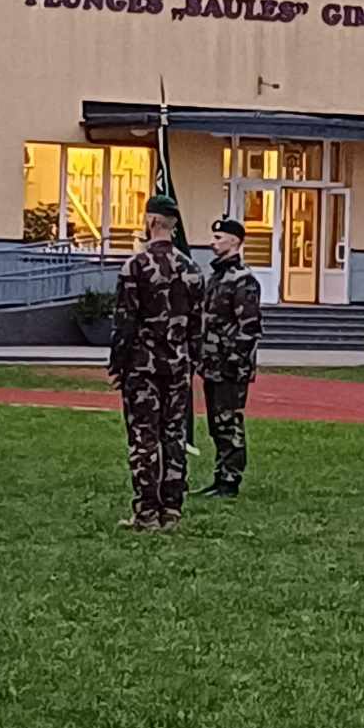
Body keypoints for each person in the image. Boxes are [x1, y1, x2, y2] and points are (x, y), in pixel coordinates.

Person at [108, 194, 204, 531]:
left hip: (142, 367)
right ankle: (172, 510)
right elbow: (197, 325)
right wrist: (192, 362)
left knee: (143, 437)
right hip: (178, 366)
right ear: (174, 225)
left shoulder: (135, 267)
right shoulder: (192, 269)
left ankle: (146, 512)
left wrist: (117, 365)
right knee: (174, 435)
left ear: (150, 221)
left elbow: (125, 322)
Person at [196, 216, 265, 499]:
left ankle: (230, 480)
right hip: (212, 364)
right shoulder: (216, 277)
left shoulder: (243, 280)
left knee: (229, 422)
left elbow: (249, 328)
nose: (213, 243)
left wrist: (235, 361)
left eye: (219, 238)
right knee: (216, 423)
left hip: (230, 367)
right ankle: (220, 475)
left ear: (234, 241)